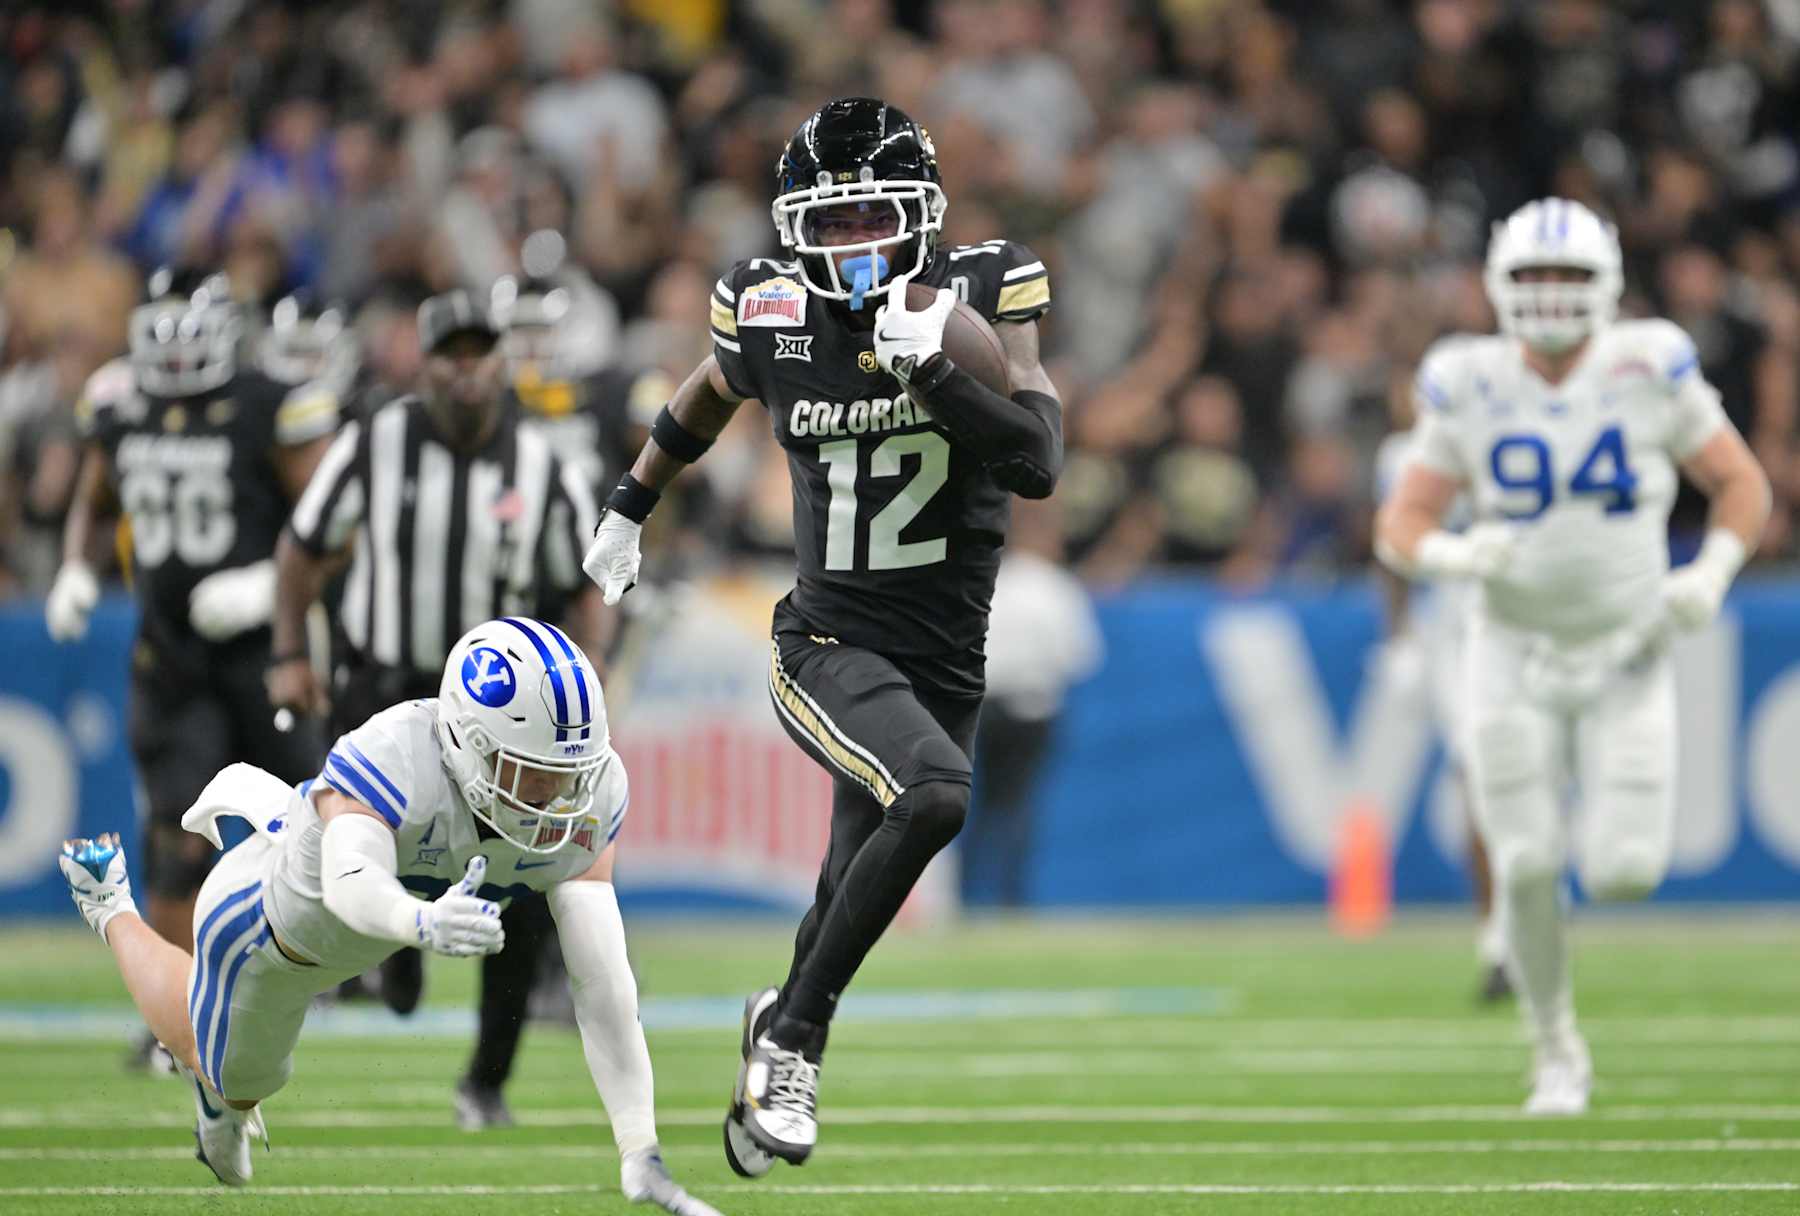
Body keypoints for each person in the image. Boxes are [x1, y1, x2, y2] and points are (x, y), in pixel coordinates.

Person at [582, 96, 1062, 1171]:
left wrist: (930, 370)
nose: (850, 247)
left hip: (946, 653)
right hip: (826, 645)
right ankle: (797, 1037)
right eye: (830, 225)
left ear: (921, 216)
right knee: (935, 794)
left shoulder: (980, 297)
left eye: (871, 221)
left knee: (849, 878)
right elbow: (707, 395)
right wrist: (630, 502)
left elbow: (1036, 459)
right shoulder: (769, 311)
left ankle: (776, 1028)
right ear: (796, 227)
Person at [58, 619, 720, 1215]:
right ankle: (110, 904)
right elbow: (351, 883)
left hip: (361, 937)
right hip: (271, 932)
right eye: (531, 774)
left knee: (244, 1081)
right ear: (466, 742)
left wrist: (640, 1148)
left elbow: (603, 984)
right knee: (231, 1075)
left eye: (568, 774)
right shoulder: (397, 752)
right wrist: (422, 925)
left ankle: (217, 1086)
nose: (556, 798)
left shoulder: (591, 794)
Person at [1375, 197, 1771, 1114]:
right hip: (1509, 644)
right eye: (1533, 277)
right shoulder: (1467, 379)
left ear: (1608, 285)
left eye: (1568, 277)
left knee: (1626, 868)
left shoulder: (1649, 364)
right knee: (1522, 860)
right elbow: (1402, 518)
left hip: (1627, 647)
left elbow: (1742, 481)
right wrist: (1453, 553)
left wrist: (1710, 573)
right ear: (1498, 286)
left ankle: (1559, 998)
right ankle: (1556, 1050)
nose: (1550, 296)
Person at [268, 288, 603, 1129]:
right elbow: (301, 550)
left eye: (479, 351)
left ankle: (485, 1081)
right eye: (450, 352)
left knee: (519, 895)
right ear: (425, 363)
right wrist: (285, 654)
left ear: (500, 361)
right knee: (375, 855)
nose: (466, 368)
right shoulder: (377, 441)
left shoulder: (541, 460)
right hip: (389, 690)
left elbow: (581, 585)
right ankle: (399, 962)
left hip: (505, 716)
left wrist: (585, 683)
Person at [46, 266, 337, 1071]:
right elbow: (98, 501)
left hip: (264, 655)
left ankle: (319, 977)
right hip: (169, 657)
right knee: (178, 835)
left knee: (315, 819)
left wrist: (266, 588)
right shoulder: (116, 402)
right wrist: (77, 565)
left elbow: (330, 518)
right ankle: (176, 1015)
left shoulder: (269, 402)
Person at [1373, 387, 1509, 1002]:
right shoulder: (1404, 456)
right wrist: (1399, 635)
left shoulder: (1513, 440)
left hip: (1522, 616)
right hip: (1456, 625)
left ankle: (1520, 926)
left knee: (1524, 780)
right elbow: (1392, 550)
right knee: (1477, 773)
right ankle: (1499, 942)